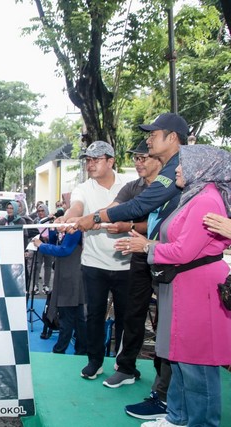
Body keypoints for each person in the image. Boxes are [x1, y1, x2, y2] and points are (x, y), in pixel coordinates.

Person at [73, 113, 188, 419]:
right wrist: (89, 218)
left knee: (174, 330)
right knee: (159, 326)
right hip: (159, 259)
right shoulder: (169, 172)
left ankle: (169, 401)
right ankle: (160, 393)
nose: (148, 143)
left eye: (153, 136)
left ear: (172, 137)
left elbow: (139, 209)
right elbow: (126, 208)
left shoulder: (181, 168)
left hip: (182, 263)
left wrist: (98, 220)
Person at [115, 145, 231, 427]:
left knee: (198, 365)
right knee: (180, 358)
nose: (177, 169)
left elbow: (183, 251)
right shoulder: (194, 197)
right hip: (185, 286)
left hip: (199, 289)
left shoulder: (206, 200)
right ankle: (178, 417)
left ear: (200, 169)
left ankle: (202, 423)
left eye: (183, 164)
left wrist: (147, 247)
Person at [57, 140, 132, 380]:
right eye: (88, 160)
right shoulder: (83, 188)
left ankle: (124, 365)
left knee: (125, 318)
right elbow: (75, 208)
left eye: (96, 160)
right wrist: (67, 219)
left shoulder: (128, 186)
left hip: (127, 263)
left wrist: (91, 219)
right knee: (94, 316)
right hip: (94, 264)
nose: (90, 164)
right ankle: (95, 361)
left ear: (111, 161)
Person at [100, 141, 163, 389]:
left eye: (143, 157)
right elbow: (113, 210)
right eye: (135, 158)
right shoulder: (132, 186)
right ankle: (126, 367)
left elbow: (157, 223)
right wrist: (87, 219)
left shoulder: (169, 186)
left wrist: (130, 227)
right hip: (138, 254)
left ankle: (164, 376)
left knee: (166, 319)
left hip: (166, 256)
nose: (138, 162)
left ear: (159, 159)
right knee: (132, 313)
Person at [34, 227, 86, 355]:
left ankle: (59, 350)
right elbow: (54, 244)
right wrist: (52, 230)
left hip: (71, 279)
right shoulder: (67, 231)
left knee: (67, 317)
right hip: (68, 277)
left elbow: (64, 250)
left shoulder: (76, 230)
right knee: (78, 318)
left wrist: (41, 246)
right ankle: (81, 350)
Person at [34, 202, 54, 293]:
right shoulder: (35, 221)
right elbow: (33, 233)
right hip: (38, 246)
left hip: (49, 245)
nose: (40, 213)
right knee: (37, 265)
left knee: (48, 266)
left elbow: (54, 233)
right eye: (39, 211)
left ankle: (46, 286)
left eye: (42, 210)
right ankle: (35, 286)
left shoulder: (51, 221)